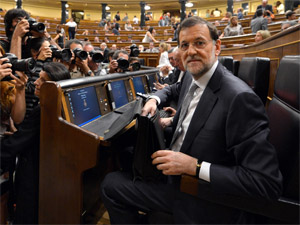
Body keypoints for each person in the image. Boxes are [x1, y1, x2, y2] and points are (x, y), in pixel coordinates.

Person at [100, 16, 282, 224]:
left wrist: (194, 166)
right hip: (178, 163)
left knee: (110, 184)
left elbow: (266, 183)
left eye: (199, 43)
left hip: (199, 193)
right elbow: (172, 89)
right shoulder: (190, 76)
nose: (191, 51)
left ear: (217, 46)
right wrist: (154, 99)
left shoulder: (239, 99)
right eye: (184, 45)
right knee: (126, 151)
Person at [1, 62, 70, 224]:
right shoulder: (59, 103)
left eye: (43, 81)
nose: (36, 83)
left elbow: (15, 145)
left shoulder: (45, 109)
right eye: (38, 78)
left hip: (32, 174)